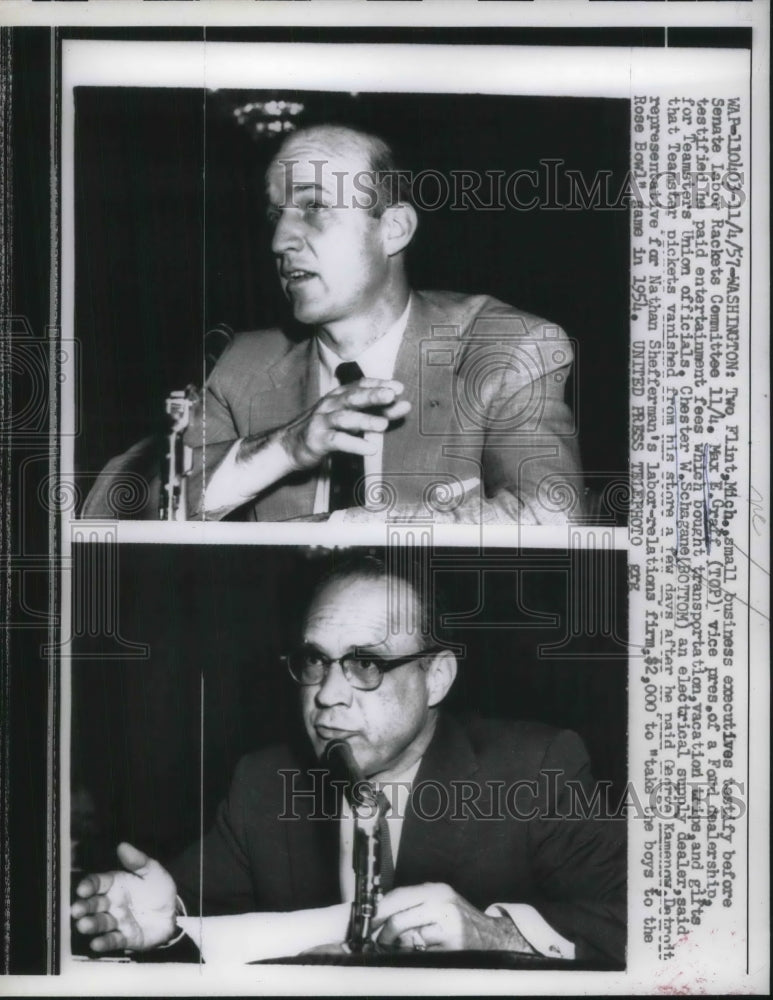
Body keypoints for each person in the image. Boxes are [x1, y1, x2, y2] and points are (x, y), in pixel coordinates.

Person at [71, 555, 625, 964]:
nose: (327, 695)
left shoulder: (537, 767)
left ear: (437, 677)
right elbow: (187, 916)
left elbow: (658, 925)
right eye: (315, 661)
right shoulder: (263, 784)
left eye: (365, 664)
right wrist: (163, 928)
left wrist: (498, 935)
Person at [85, 123, 581, 523]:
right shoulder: (242, 365)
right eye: (275, 214)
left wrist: (343, 528)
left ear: (393, 229)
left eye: (314, 207)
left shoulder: (506, 346)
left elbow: (553, 516)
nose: (281, 240)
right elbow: (114, 506)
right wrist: (282, 447)